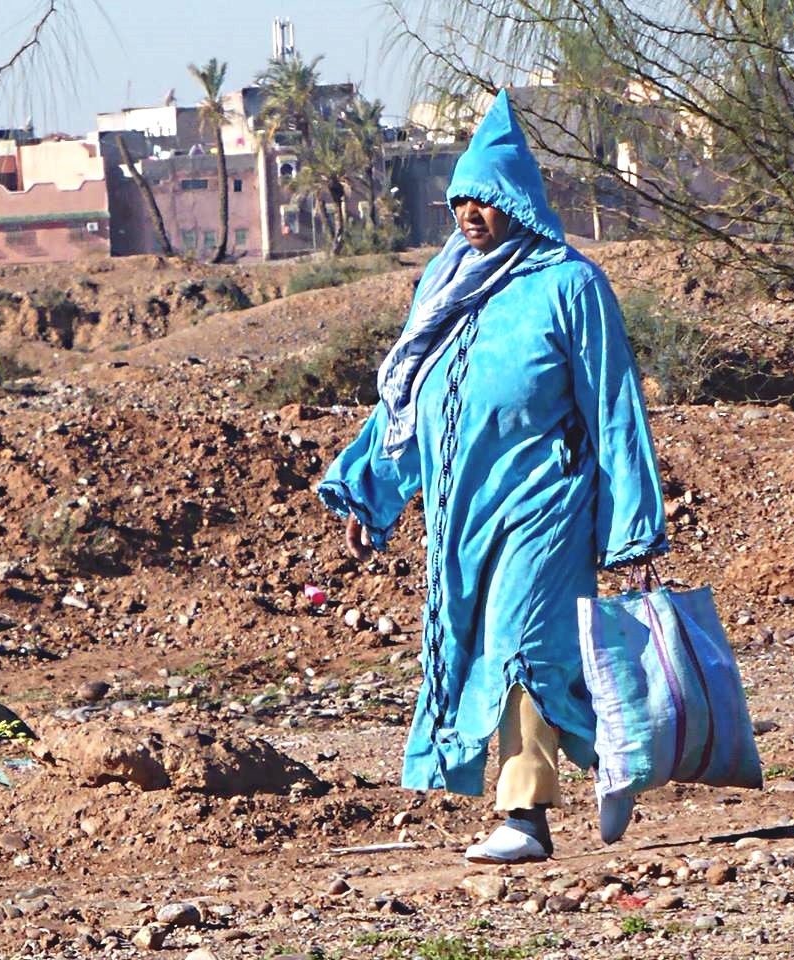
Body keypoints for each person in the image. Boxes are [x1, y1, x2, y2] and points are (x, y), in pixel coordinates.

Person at [318, 90, 667, 863]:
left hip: (545, 502)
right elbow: (410, 397)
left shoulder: (570, 284)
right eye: (461, 196)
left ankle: (525, 818)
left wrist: (631, 522)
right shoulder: (444, 284)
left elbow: (614, 403)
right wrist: (373, 490)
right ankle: (618, 756)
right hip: (460, 512)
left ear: (520, 199)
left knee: (520, 647)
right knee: (492, 648)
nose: (472, 210)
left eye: (488, 195)